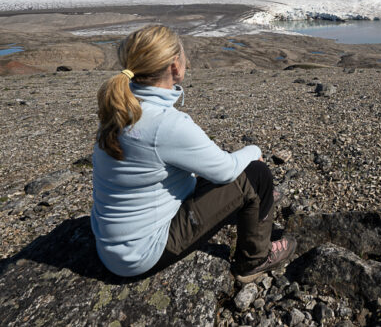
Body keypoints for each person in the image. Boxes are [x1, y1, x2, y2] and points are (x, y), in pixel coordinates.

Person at [91, 24, 295, 281]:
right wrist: (254, 150)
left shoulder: (121, 107)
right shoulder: (166, 123)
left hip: (112, 246)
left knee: (219, 174)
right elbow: (225, 171)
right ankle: (253, 261)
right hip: (141, 254)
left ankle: (250, 208)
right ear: (174, 66)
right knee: (257, 175)